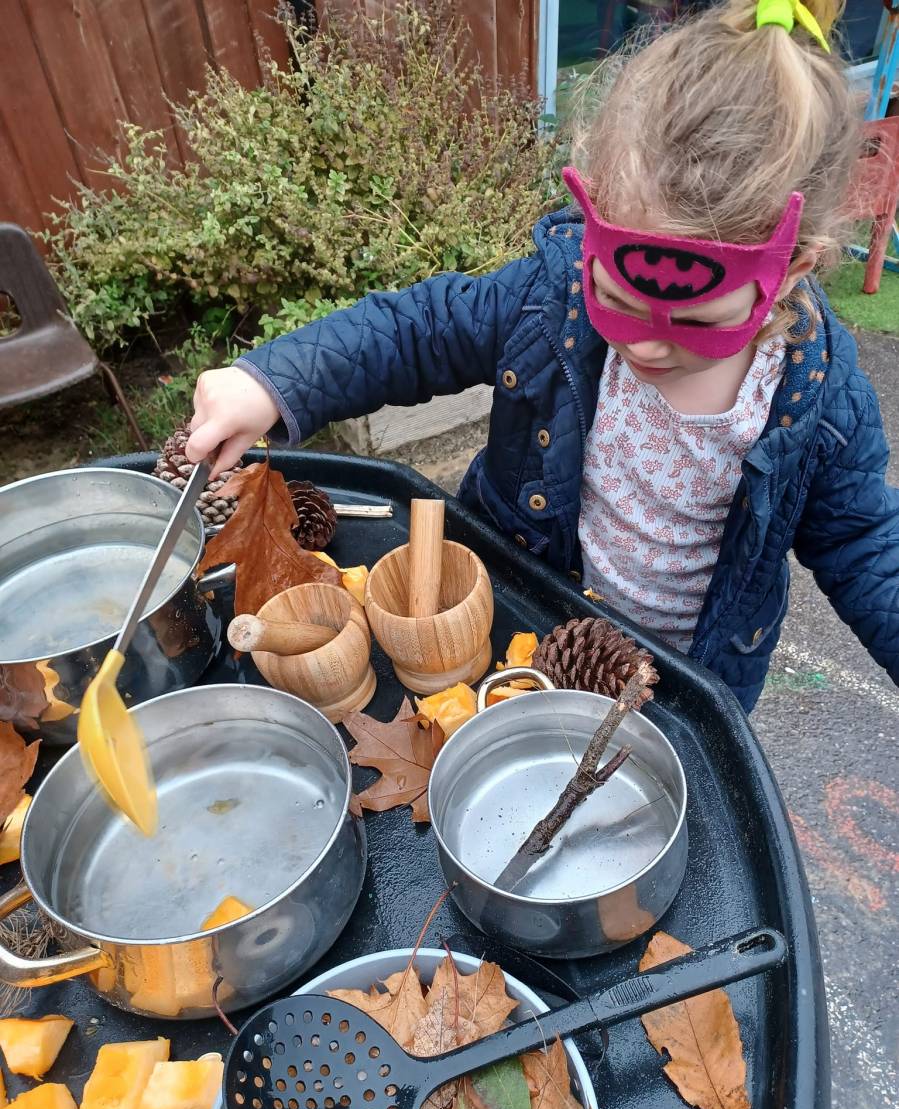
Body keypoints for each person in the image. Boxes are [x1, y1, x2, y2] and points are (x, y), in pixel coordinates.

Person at [186, 0, 899, 712]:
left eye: (696, 321)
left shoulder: (819, 401)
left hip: (678, 680)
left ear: (793, 270)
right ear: (594, 220)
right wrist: (274, 382)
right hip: (526, 611)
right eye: (616, 298)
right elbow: (418, 329)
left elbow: (864, 544)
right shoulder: (550, 296)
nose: (645, 342)